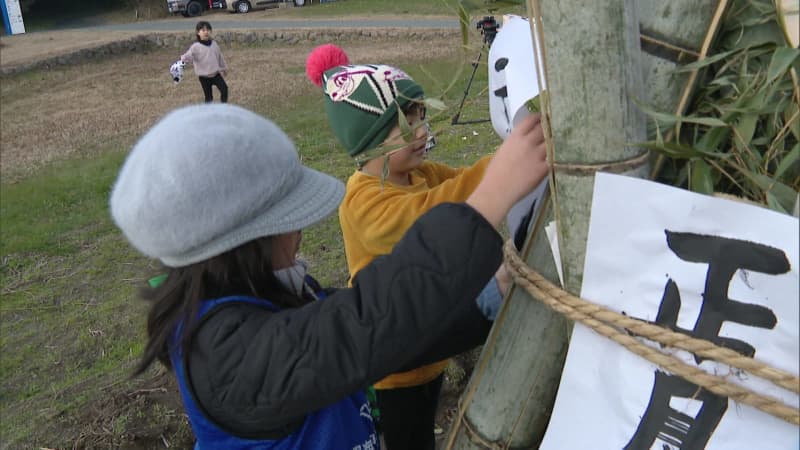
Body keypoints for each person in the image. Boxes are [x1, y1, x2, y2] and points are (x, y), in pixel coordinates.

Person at [110, 103, 547, 449]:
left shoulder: (268, 299)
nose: (301, 230)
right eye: (291, 219)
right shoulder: (229, 359)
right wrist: (489, 197)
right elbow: (366, 323)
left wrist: (492, 292)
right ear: (245, 245)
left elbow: (387, 341)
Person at [306, 44, 506, 449]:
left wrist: (502, 167)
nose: (421, 130)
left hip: (428, 353)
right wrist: (506, 170)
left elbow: (462, 181)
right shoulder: (362, 200)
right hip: (392, 365)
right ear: (371, 139)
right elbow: (434, 216)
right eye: (405, 121)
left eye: (421, 115)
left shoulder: (422, 173)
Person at [180, 21, 228, 103]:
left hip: (216, 74)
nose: (206, 32)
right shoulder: (195, 47)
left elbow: (220, 57)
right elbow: (188, 56)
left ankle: (223, 107)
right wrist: (184, 58)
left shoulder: (214, 44)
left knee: (224, 89)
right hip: (204, 77)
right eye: (203, 30)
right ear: (198, 33)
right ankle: (208, 112)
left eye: (208, 30)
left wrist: (224, 68)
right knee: (209, 97)